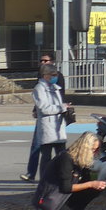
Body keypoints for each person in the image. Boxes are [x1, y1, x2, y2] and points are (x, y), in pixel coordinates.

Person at [25, 132, 106, 210]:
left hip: (64, 197)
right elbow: (66, 187)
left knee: (93, 190)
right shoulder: (66, 158)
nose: (95, 153)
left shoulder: (81, 160)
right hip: (51, 198)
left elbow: (85, 183)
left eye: (96, 150)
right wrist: (91, 184)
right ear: (84, 148)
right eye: (93, 149)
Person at [21, 53, 66, 182]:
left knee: (61, 154)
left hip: (57, 125)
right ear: (45, 76)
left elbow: (59, 98)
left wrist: (64, 107)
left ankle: (61, 177)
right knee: (44, 152)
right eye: (41, 60)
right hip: (47, 124)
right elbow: (43, 106)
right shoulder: (40, 87)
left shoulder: (56, 84)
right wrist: (61, 107)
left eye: (45, 60)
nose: (43, 62)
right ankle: (39, 177)